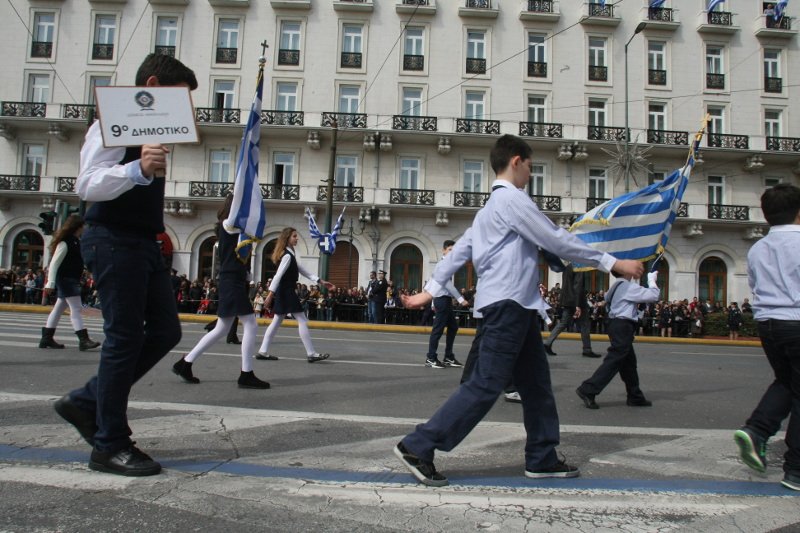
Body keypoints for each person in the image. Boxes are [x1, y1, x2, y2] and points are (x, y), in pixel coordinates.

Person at [394, 134, 644, 486]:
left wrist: (428, 292)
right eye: (530, 165)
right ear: (516, 161)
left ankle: (541, 456)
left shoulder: (487, 212)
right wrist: (613, 263)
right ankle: (418, 445)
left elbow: (458, 254)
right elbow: (554, 238)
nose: (531, 172)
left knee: (537, 386)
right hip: (508, 306)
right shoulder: (513, 201)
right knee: (485, 384)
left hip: (520, 307)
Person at [53, 54, 196, 477]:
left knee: (166, 330)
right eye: (178, 98)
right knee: (124, 338)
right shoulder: (113, 122)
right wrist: (137, 168)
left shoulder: (148, 129)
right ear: (151, 85)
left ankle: (86, 402)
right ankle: (109, 443)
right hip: (113, 239)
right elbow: (87, 184)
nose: (182, 110)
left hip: (142, 242)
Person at [734, 183, 800, 492]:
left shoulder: (758, 247)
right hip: (797, 320)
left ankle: (758, 430)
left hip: (768, 324)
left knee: (786, 381)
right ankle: (796, 468)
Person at [171, 195, 269, 389]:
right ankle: (246, 373)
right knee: (249, 323)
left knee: (222, 328)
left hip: (234, 280)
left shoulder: (237, 229)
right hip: (230, 281)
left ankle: (185, 363)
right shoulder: (228, 225)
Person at [575, 270, 660, 410]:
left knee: (629, 363)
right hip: (623, 325)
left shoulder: (616, 285)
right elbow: (654, 295)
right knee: (615, 360)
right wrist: (651, 280)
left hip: (615, 324)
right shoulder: (628, 287)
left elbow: (607, 298)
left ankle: (635, 396)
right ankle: (588, 389)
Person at [255, 227, 335, 362]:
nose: (297, 238)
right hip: (286, 291)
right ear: (287, 238)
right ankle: (311, 353)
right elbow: (278, 275)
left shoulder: (290, 253)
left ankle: (263, 351)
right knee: (302, 320)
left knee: (276, 321)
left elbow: (302, 270)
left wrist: (320, 281)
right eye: (294, 236)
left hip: (285, 290)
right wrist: (270, 295)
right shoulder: (287, 255)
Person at [39, 214, 102, 351]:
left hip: (70, 279)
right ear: (78, 226)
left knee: (58, 308)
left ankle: (47, 338)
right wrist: (50, 282)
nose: (86, 227)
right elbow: (54, 263)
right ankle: (83, 340)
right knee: (76, 309)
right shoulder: (66, 242)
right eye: (84, 225)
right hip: (66, 280)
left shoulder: (75, 241)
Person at [424, 239, 469, 369]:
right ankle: (431, 357)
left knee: (453, 327)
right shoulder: (443, 264)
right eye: (450, 250)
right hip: (442, 299)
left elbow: (432, 283)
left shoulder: (446, 264)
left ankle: (448, 356)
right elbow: (447, 284)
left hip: (445, 299)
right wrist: (460, 299)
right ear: (443, 250)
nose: (452, 253)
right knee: (437, 330)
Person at [543, 264, 602, 358]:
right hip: (578, 301)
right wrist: (578, 305)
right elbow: (577, 286)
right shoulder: (579, 266)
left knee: (563, 323)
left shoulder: (567, 266)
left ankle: (547, 343)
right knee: (585, 324)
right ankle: (587, 349)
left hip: (567, 300)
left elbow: (567, 285)